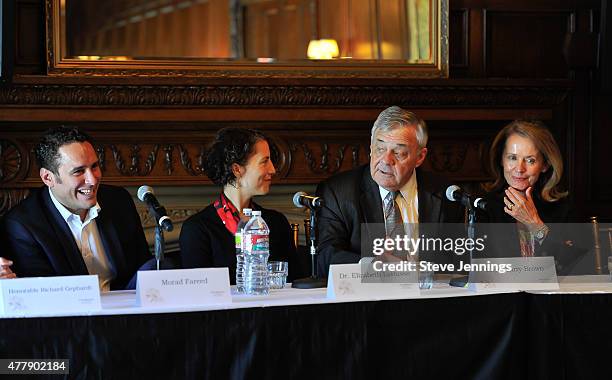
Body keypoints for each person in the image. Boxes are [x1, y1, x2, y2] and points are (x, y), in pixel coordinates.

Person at [316, 106, 464, 276]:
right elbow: (325, 257)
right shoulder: (338, 193)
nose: (386, 160)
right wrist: (371, 265)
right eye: (380, 149)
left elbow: (457, 260)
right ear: (371, 148)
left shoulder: (446, 194)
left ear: (420, 157)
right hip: (367, 297)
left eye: (399, 152)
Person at [0, 126, 150, 291]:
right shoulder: (22, 225)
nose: (92, 180)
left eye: (94, 166)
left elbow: (142, 271)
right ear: (48, 177)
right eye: (79, 171)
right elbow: (45, 296)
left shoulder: (118, 201)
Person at [179, 127, 296, 283]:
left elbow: (296, 282)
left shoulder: (277, 222)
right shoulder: (196, 229)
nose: (273, 169)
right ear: (237, 169)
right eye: (264, 162)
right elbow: (198, 294)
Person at [479, 120, 583, 270]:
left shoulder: (563, 208)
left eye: (530, 160)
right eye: (512, 158)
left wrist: (534, 223)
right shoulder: (484, 207)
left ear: (545, 165)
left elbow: (573, 265)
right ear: (501, 160)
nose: (519, 168)